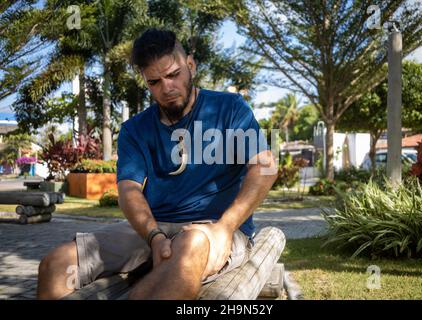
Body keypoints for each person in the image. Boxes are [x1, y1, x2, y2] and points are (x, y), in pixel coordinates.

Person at [37, 28, 278, 300]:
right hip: (152, 230)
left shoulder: (230, 107)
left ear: (190, 65)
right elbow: (129, 191)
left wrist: (225, 227)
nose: (167, 88)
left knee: (191, 245)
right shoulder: (134, 129)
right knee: (55, 264)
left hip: (215, 229)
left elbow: (265, 166)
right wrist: (154, 237)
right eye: (154, 82)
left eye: (174, 74)